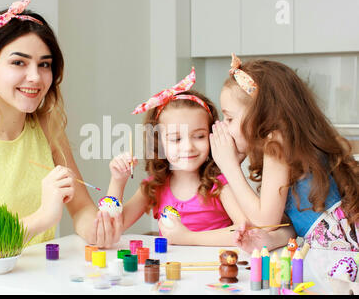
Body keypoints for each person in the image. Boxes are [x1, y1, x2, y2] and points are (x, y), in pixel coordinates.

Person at [0, 0, 121, 271]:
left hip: (39, 281)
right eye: (19, 62)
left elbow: (81, 209)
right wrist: (40, 219)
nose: (36, 78)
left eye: (44, 64)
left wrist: (98, 228)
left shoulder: (47, 129)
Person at [107, 68, 294, 247]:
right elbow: (113, 228)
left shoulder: (218, 185)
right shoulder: (153, 187)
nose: (188, 147)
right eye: (176, 138)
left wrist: (187, 238)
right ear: (159, 143)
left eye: (199, 136)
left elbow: (245, 230)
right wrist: (117, 182)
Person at [211, 53, 359, 252]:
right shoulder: (289, 146)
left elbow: (266, 220)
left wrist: (229, 167)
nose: (224, 127)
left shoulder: (276, 142)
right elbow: (293, 222)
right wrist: (269, 241)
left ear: (260, 115)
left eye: (229, 118)